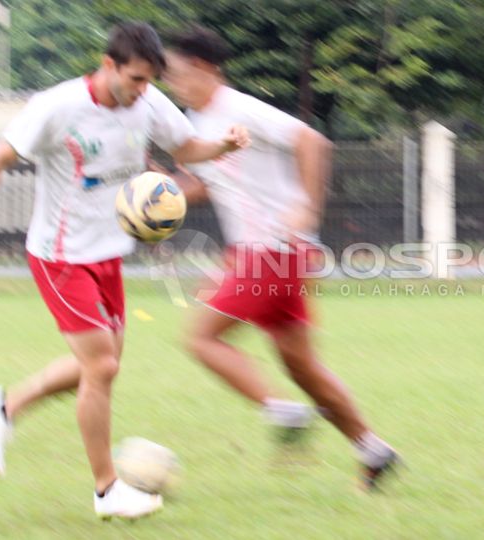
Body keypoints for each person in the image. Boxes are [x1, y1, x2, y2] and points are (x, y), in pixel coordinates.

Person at [0, 22, 250, 519]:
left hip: (108, 255)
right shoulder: (57, 107)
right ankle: (107, 490)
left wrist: (224, 146)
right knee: (101, 367)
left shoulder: (146, 104)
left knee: (100, 368)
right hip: (60, 256)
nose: (142, 92)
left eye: (150, 82)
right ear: (109, 66)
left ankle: (6, 406)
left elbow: (187, 148)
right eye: (135, 80)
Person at [158, 26, 399, 491]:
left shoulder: (240, 109)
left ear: (205, 68)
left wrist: (308, 204)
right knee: (301, 366)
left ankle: (284, 412)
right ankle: (374, 451)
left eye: (176, 73)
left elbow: (312, 142)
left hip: (273, 248)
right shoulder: (195, 123)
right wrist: (158, 194)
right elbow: (210, 184)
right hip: (267, 252)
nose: (172, 82)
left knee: (203, 340)